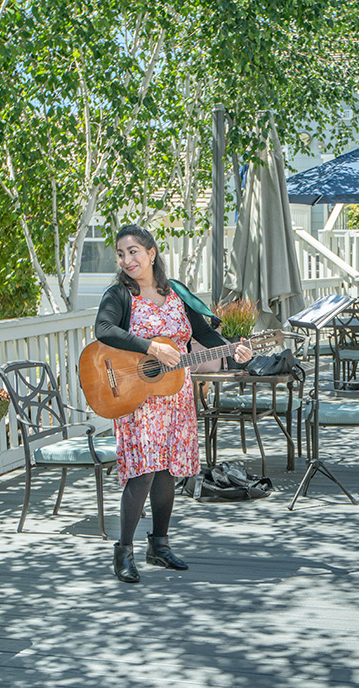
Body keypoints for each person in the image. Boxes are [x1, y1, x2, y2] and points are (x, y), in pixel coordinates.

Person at [93, 225, 251, 584]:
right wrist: (150, 347)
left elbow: (205, 335)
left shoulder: (176, 293)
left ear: (151, 253)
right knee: (143, 472)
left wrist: (234, 349)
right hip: (138, 397)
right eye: (121, 254)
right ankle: (124, 551)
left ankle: (159, 545)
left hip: (176, 396)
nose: (127, 259)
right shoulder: (119, 294)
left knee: (167, 471)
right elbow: (103, 330)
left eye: (133, 251)